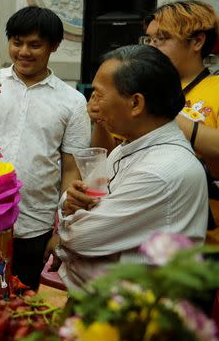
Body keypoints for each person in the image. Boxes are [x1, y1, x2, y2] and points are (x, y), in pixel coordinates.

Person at [54, 45, 209, 289]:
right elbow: (85, 204)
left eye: (99, 94)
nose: (93, 103)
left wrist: (67, 218)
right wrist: (70, 203)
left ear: (136, 103)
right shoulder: (129, 148)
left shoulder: (161, 171)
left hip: (129, 317)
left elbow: (79, 238)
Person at [0, 6, 91, 290]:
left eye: (35, 45)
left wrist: (63, 231)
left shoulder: (72, 101)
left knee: (23, 309)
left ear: (53, 46)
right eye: (17, 43)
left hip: (34, 228)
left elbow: (72, 170)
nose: (24, 52)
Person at [93, 0, 219, 239]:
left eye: (161, 38)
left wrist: (164, 115)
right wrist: (101, 118)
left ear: (197, 42)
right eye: (148, 39)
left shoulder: (216, 87)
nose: (151, 46)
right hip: (141, 227)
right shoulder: (134, 88)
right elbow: (112, 157)